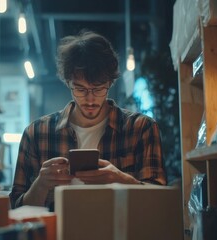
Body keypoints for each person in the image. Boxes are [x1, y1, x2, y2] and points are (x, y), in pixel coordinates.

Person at [10, 30, 166, 211]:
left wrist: (121, 180)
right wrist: (40, 185)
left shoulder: (141, 128)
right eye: (81, 89)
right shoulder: (36, 133)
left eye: (99, 89)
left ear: (110, 83)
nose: (90, 99)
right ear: (68, 83)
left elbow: (160, 204)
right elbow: (15, 209)